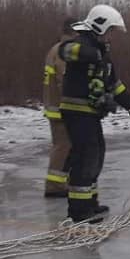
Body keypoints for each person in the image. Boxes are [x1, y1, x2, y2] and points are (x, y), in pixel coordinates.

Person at [58, 5, 130, 223]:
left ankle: (90, 203)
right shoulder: (81, 44)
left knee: (96, 155)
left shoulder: (104, 54)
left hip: (90, 114)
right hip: (76, 111)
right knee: (85, 157)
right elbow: (65, 50)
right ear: (100, 26)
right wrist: (91, 53)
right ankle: (79, 211)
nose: (112, 37)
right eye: (111, 31)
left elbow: (114, 85)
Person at [43, 18, 78, 198]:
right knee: (63, 146)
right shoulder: (64, 52)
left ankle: (58, 182)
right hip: (61, 108)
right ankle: (55, 185)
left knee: (63, 145)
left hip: (54, 106)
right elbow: (65, 80)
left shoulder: (54, 49)